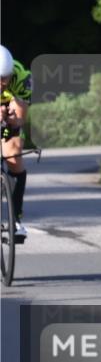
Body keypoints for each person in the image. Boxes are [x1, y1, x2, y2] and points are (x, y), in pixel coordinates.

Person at [0, 45, 31, 239]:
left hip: (9, 107)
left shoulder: (22, 78)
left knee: (14, 154)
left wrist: (10, 119)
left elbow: (20, 118)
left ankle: (16, 218)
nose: (2, 83)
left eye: (5, 79)